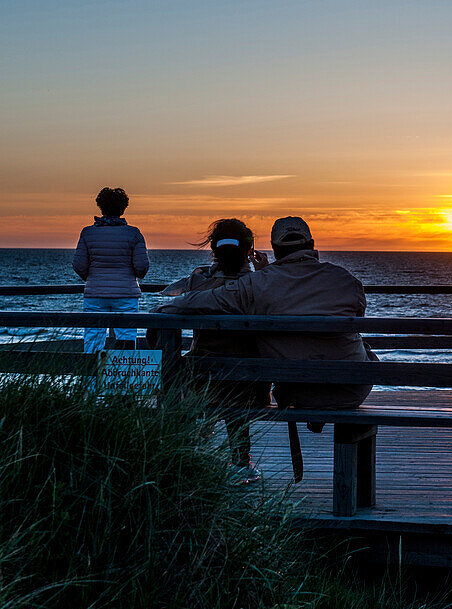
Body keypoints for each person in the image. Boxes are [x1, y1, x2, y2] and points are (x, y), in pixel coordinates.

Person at [155, 216, 374, 413]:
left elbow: (201, 301)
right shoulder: (347, 281)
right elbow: (358, 323)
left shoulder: (256, 286)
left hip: (295, 393)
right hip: (351, 391)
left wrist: (161, 310)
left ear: (274, 249)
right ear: (312, 244)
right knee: (363, 346)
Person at [149, 217, 269, 483]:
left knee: (195, 380)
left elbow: (167, 295)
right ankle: (240, 460)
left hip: (203, 379)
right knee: (234, 390)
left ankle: (192, 448)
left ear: (214, 249)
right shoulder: (259, 285)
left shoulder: (197, 283)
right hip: (249, 385)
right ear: (248, 250)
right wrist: (264, 271)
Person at [73, 187, 149, 353]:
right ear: (123, 208)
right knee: (127, 339)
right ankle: (125, 377)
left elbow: (79, 265)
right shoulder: (133, 234)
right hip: (126, 294)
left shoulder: (88, 233)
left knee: (93, 340)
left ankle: (92, 378)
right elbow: (142, 268)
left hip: (95, 294)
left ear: (101, 207)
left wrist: (93, 278)